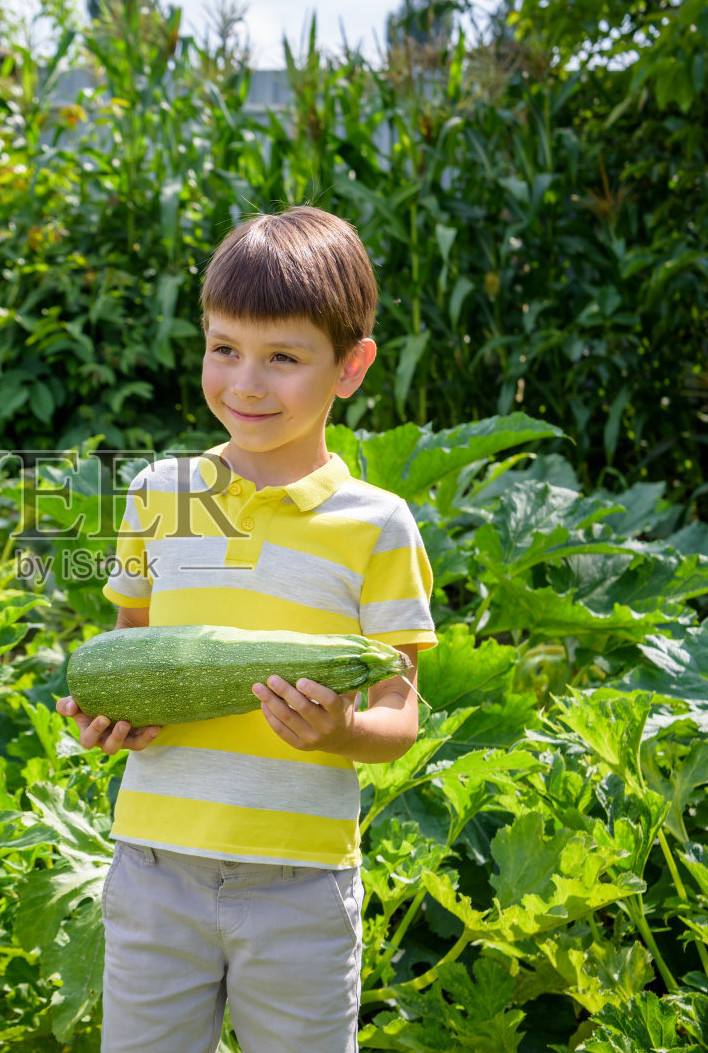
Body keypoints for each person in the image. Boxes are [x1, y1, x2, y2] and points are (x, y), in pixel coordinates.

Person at [55, 204, 437, 1053]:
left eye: (284, 358)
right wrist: (106, 723)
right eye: (224, 348)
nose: (246, 383)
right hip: (155, 866)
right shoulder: (160, 492)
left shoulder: (378, 526)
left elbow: (399, 714)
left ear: (352, 366)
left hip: (301, 886)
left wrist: (343, 729)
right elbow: (129, 659)